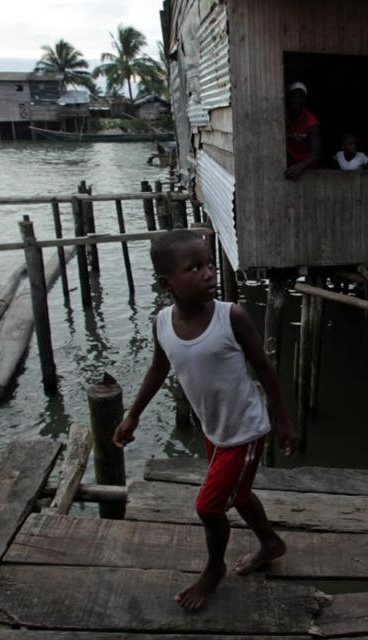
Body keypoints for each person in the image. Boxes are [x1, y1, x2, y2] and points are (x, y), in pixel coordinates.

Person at [112, 229, 297, 611]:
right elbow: (159, 367)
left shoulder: (232, 317)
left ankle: (214, 570)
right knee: (238, 494)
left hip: (245, 431)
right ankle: (270, 543)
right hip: (214, 429)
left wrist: (282, 420)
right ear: (167, 283)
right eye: (194, 267)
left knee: (209, 508)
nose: (209, 273)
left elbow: (264, 367)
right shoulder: (163, 322)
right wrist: (132, 416)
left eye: (210, 264)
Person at [285, 81, 321, 180]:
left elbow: (316, 153)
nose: (296, 101)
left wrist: (300, 167)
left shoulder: (311, 120)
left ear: (304, 100)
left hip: (307, 167)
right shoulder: (282, 117)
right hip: (288, 165)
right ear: (289, 99)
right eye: (294, 97)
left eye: (300, 97)